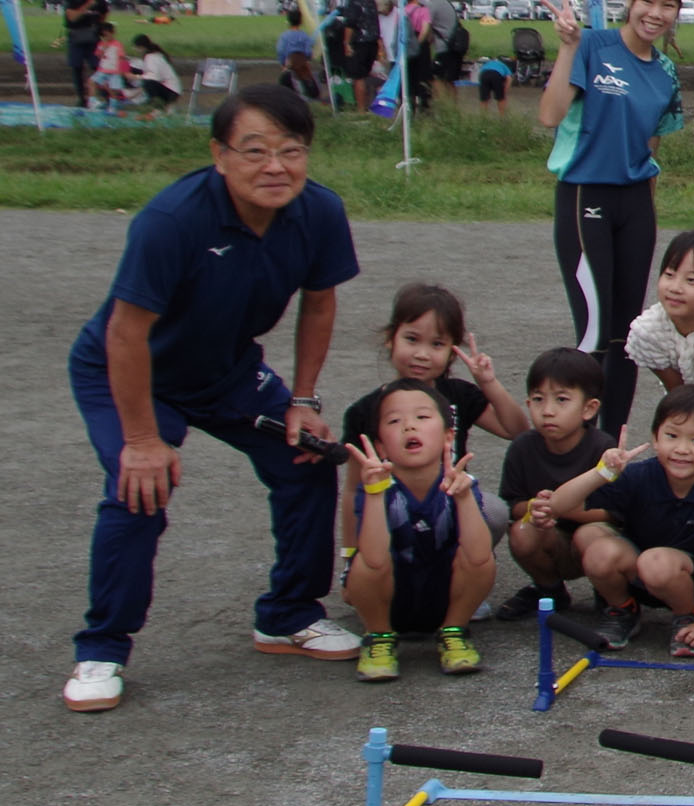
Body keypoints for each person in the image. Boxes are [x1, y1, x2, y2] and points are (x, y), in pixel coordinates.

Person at [63, 84, 361, 711]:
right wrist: (143, 441)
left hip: (227, 370)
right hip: (135, 374)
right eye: (254, 151)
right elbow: (124, 335)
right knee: (139, 488)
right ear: (219, 155)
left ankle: (287, 615)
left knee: (305, 459)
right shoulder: (172, 220)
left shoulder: (320, 213)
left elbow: (321, 300)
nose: (274, 166)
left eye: (291, 150)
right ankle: (102, 648)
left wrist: (303, 398)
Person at [541, 0, 688, 438]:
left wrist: (645, 203)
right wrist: (566, 46)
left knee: (627, 336)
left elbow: (651, 144)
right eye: (648, 0)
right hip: (586, 196)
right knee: (595, 329)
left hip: (636, 204)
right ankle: (578, 443)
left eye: (668, 5)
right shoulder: (591, 46)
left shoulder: (664, 71)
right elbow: (550, 114)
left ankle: (612, 442)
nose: (656, 13)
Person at [534, 385, 694, 654]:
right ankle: (622, 608)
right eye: (671, 436)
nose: (681, 449)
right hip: (640, 572)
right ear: (655, 438)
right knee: (593, 542)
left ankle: (687, 616)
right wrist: (602, 473)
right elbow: (557, 505)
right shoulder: (639, 475)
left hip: (686, 580)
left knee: (655, 561)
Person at [337, 281, 524, 560]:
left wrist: (489, 382)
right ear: (391, 338)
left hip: (448, 506)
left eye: (437, 344)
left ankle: (465, 580)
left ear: (452, 351)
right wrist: (350, 553)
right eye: (411, 339)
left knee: (494, 511)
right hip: (391, 513)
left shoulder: (458, 394)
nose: (422, 354)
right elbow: (353, 489)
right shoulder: (365, 410)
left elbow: (516, 430)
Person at [340, 381, 496, 682]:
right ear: (381, 445)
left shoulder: (461, 483)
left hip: (443, 598)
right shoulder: (374, 488)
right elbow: (372, 558)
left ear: (448, 435)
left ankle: (454, 630)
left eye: (422, 418)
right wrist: (373, 493)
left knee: (483, 558)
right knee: (363, 564)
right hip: (391, 599)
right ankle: (379, 637)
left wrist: (464, 498)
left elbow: (479, 556)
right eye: (394, 421)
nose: (409, 427)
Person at [494, 347, 610, 621]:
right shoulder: (523, 447)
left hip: (594, 539)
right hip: (550, 538)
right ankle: (549, 590)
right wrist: (535, 507)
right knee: (522, 531)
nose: (547, 411)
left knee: (593, 535)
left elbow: (615, 513)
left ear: (589, 408)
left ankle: (613, 597)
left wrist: (560, 508)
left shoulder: (602, 448)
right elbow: (511, 504)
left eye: (561, 400)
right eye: (538, 399)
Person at [624, 229, 694, 396]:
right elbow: (676, 391)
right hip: (683, 402)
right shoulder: (647, 332)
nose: (675, 288)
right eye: (669, 274)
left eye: (691, 280)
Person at [420, 0, 463, 105]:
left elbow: (426, 26)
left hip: (444, 48)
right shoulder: (447, 3)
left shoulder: (432, 5)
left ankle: (441, 105)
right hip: (455, 47)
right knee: (450, 80)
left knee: (434, 76)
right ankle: (453, 108)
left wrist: (420, 42)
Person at [62, 0, 105, 105]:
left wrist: (99, 28)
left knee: (98, 66)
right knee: (77, 67)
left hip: (93, 36)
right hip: (76, 36)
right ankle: (82, 98)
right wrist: (88, 5)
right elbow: (72, 18)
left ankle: (102, 96)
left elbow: (103, 15)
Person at [274, 10, 319, 101]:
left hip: (289, 63)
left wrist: (283, 64)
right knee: (310, 88)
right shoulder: (304, 36)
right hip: (303, 65)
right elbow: (308, 52)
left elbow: (280, 51)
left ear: (289, 21)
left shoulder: (284, 36)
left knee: (285, 88)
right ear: (301, 21)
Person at [131, 34, 181, 109]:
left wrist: (136, 77)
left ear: (141, 47)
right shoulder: (155, 55)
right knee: (146, 81)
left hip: (170, 91)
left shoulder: (151, 57)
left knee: (148, 82)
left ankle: (157, 105)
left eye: (136, 47)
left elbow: (153, 77)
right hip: (172, 90)